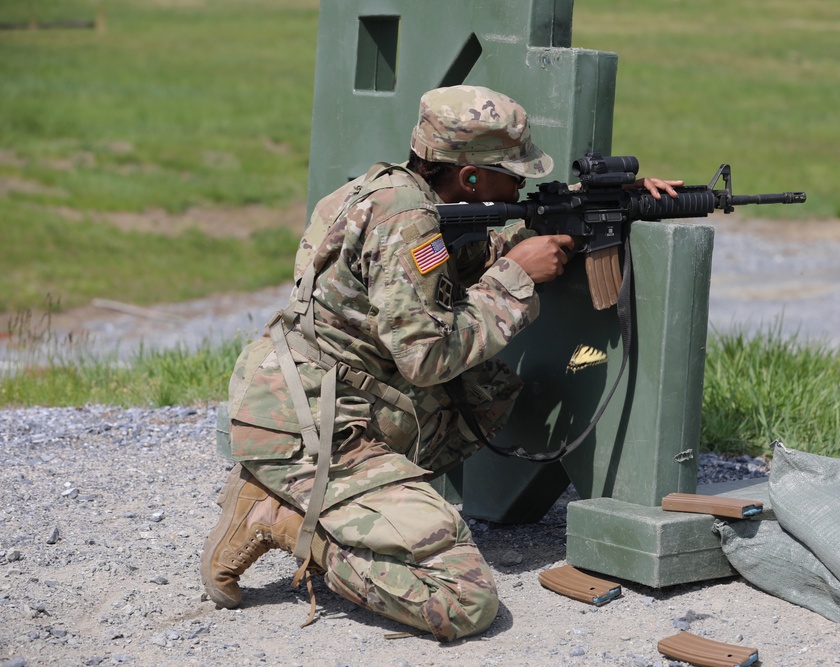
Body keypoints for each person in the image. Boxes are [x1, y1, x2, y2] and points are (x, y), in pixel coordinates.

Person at [201, 85, 681, 641]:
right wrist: (515, 279)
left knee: (485, 394)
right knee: (465, 602)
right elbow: (426, 357)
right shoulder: (407, 224)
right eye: (511, 170)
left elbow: (446, 268)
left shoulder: (395, 194)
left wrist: (604, 203)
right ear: (470, 178)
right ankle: (287, 520)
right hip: (318, 425)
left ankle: (331, 498)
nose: (522, 182)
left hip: (323, 398)